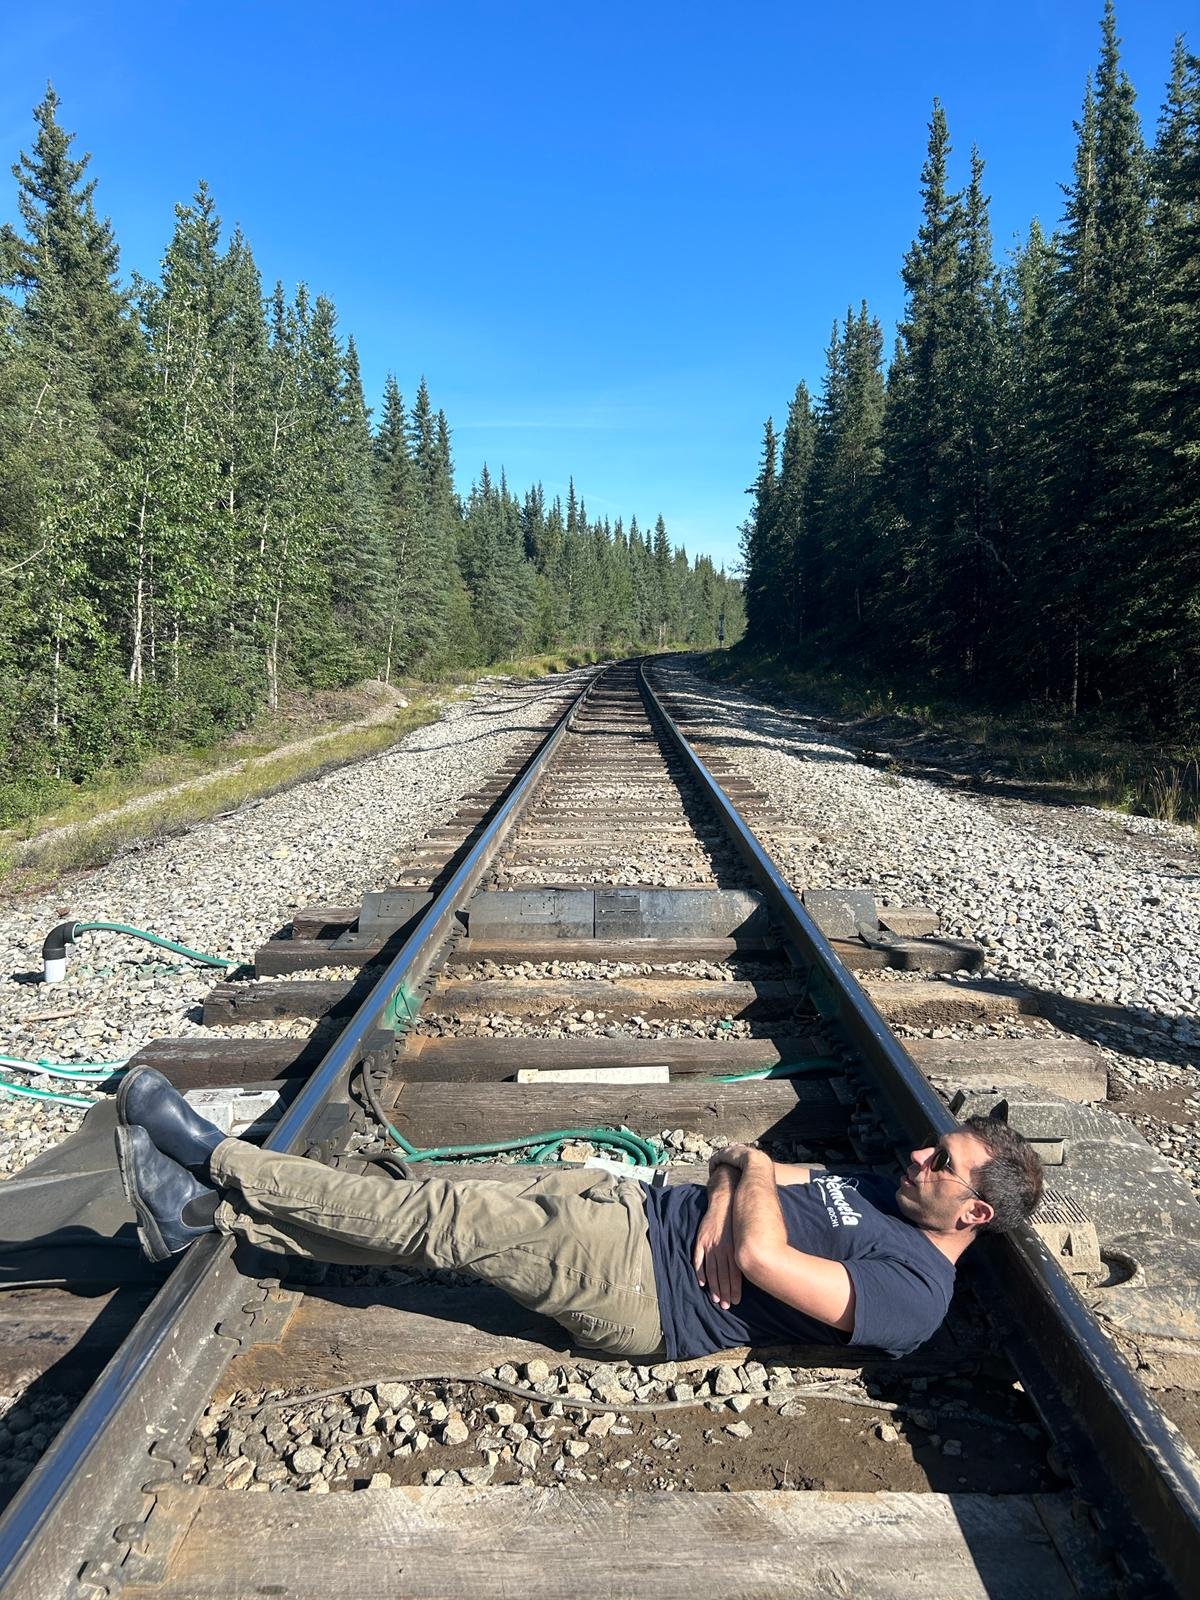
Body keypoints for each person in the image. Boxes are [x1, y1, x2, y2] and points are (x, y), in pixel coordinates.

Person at [114, 1066, 1043, 1362]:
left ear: (974, 1212)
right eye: (934, 1146)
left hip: (640, 1284)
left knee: (442, 1217)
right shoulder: (881, 1195)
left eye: (943, 1163)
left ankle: (218, 1157)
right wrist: (739, 1186)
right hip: (636, 1207)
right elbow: (742, 1159)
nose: (919, 1155)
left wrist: (744, 1202)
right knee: (431, 1204)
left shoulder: (916, 1293)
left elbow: (763, 1261)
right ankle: (208, 1218)